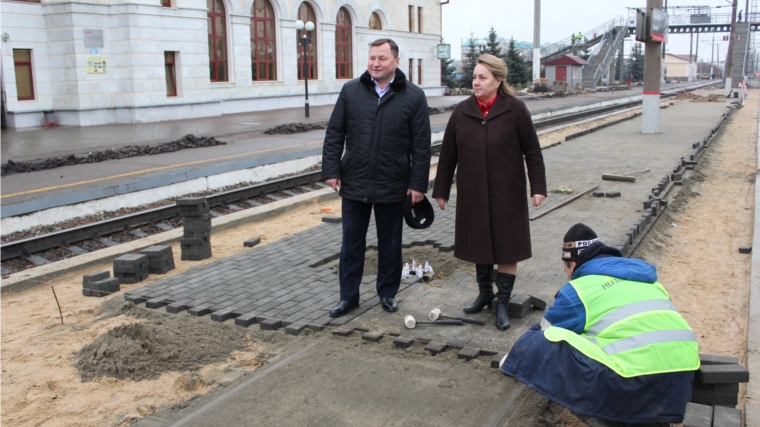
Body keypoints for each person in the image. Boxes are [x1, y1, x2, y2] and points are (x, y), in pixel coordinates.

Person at [500, 223, 699, 425]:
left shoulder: (579, 289)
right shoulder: (649, 281)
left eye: (566, 269)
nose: (568, 277)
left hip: (634, 384)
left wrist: (516, 356)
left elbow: (545, 333)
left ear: (574, 266)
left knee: (544, 343)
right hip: (680, 384)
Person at [432, 54, 546, 330]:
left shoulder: (516, 109)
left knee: (507, 248)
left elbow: (532, 151)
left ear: (498, 79)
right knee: (479, 244)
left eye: (482, 77)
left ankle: (503, 302)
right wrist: (441, 189)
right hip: (473, 192)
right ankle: (485, 294)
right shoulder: (461, 111)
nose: (476, 82)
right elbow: (448, 154)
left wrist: (538, 188)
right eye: (474, 77)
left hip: (508, 193)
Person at [322, 38, 431, 317]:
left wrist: (418, 184)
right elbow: (335, 133)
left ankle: (387, 294)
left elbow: (421, 145)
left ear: (396, 61)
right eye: (372, 58)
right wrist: (332, 170)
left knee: (390, 244)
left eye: (382, 58)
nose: (375, 63)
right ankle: (348, 297)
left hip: (393, 183)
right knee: (351, 245)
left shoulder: (413, 96)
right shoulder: (351, 91)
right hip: (355, 182)